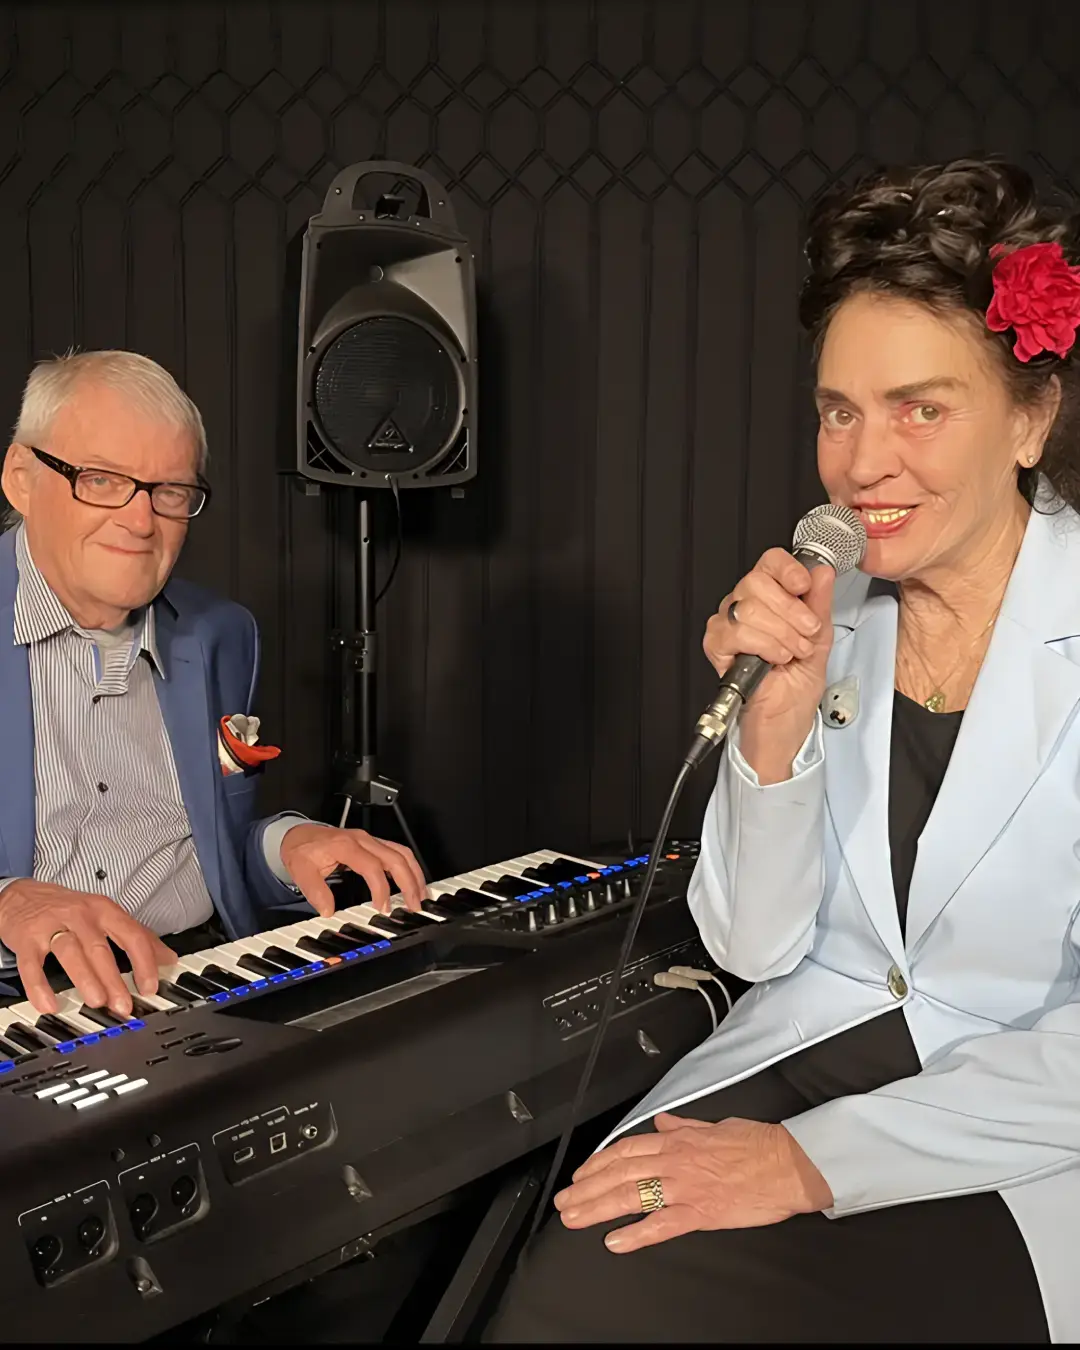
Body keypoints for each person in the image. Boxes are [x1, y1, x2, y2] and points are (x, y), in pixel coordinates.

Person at [486, 159, 1080, 1343]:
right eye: (838, 411)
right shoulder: (829, 618)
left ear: (1030, 416)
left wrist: (811, 1164)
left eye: (922, 407)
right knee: (582, 1285)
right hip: (811, 1045)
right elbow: (752, 942)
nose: (864, 465)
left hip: (1022, 1130)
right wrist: (774, 727)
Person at [0, 349, 425, 1019]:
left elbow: (209, 844)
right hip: (24, 1006)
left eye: (168, 491)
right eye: (104, 480)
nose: (141, 522)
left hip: (199, 975)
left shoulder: (224, 635)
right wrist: (6, 900)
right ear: (22, 479)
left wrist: (288, 844)